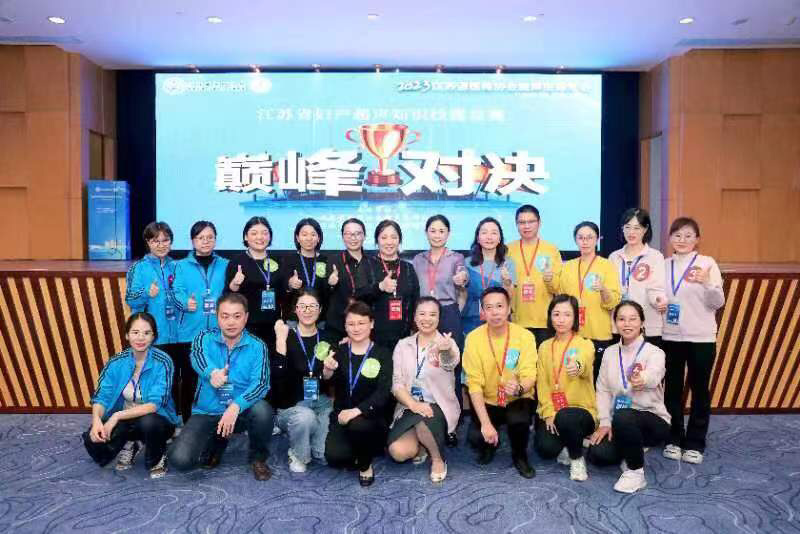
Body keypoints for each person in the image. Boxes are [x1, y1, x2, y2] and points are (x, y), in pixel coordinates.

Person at [168, 293, 274, 480]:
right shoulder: (203, 337)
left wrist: (236, 406)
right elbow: (197, 357)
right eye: (225, 316)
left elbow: (261, 383)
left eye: (237, 316)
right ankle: (218, 440)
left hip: (241, 411)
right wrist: (212, 373)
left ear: (246, 317)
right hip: (208, 411)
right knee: (180, 460)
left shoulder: (258, 346)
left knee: (263, 411)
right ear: (217, 317)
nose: (231, 322)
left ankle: (258, 458)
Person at [659, 217, 725, 465]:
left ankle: (696, 442)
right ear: (670, 239)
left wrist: (706, 283)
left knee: (699, 389)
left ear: (697, 239)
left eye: (688, 235)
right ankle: (674, 438)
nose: (682, 240)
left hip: (701, 337)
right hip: (670, 335)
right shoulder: (664, 265)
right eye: (677, 235)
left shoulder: (707, 263)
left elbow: (717, 303)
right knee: (672, 389)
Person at [83, 312, 179, 479]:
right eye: (135, 332)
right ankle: (131, 443)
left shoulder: (163, 361)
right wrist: (97, 420)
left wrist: (116, 417)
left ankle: (156, 457)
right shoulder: (115, 362)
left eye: (147, 333)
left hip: (157, 419)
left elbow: (154, 404)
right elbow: (102, 396)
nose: (140, 338)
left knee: (149, 423)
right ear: (127, 335)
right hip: (127, 419)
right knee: (92, 440)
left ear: (154, 337)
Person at [587, 300, 670, 493]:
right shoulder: (609, 353)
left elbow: (654, 374)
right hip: (619, 421)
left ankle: (636, 472)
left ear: (642, 322)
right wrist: (605, 422)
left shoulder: (654, 352)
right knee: (598, 454)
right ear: (615, 323)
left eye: (633, 319)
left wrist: (643, 379)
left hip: (651, 419)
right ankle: (632, 447)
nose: (627, 324)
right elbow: (603, 389)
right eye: (621, 319)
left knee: (625, 415)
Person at [463, 287, 537, 478]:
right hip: (488, 399)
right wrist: (485, 424)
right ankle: (490, 444)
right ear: (482, 311)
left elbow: (530, 374)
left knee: (518, 421)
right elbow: (474, 384)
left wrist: (520, 387)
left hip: (516, 397)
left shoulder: (525, 336)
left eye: (499, 306)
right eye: (489, 307)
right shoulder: (473, 339)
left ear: (509, 308)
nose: (495, 312)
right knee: (475, 437)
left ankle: (519, 455)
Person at [387, 297, 461, 483]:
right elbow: (397, 383)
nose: (427, 319)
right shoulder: (403, 345)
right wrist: (413, 404)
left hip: (438, 404)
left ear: (439, 318)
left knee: (423, 422)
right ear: (414, 317)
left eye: (432, 314)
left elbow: (450, 363)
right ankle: (421, 446)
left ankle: (438, 459)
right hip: (408, 404)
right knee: (398, 451)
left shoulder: (447, 343)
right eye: (422, 314)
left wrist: (445, 350)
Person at [323, 301, 393, 486]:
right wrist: (327, 370)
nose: (356, 328)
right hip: (342, 415)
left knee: (359, 426)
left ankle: (365, 466)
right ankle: (363, 449)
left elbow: (383, 392)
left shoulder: (383, 353)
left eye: (361, 323)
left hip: (371, 416)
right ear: (345, 326)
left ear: (372, 323)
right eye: (351, 324)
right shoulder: (338, 351)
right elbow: (327, 381)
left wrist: (356, 411)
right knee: (334, 457)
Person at [533, 294, 597, 481]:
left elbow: (583, 362)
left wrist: (577, 367)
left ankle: (577, 459)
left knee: (568, 417)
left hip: (581, 411)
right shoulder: (544, 347)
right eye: (556, 314)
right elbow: (542, 384)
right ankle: (572, 441)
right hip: (555, 411)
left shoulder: (585, 344)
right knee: (545, 448)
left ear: (575, 317)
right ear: (550, 317)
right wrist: (549, 412)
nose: (561, 320)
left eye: (567, 315)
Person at [172, 221, 229, 422]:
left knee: (218, 376)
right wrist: (185, 302)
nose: (205, 241)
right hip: (189, 332)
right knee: (189, 378)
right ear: (192, 240)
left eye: (210, 237)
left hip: (218, 332)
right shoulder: (180, 266)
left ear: (215, 240)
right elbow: (176, 291)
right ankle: (187, 420)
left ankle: (219, 419)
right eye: (200, 238)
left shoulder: (225, 264)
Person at [272, 290, 334, 473]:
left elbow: (329, 379)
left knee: (323, 455)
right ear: (295, 310)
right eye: (303, 306)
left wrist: (328, 371)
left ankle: (309, 437)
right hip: (292, 405)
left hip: (321, 402)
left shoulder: (327, 338)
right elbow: (277, 377)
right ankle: (298, 453)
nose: (308, 310)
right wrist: (280, 341)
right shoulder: (285, 335)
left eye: (313, 306)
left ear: (320, 310)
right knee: (305, 418)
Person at [557, 221, 621, 382]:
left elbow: (613, 301)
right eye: (581, 237)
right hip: (572, 333)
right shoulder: (567, 266)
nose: (585, 241)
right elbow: (561, 298)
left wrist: (603, 289)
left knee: (597, 379)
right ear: (575, 240)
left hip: (598, 332)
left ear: (597, 239)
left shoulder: (607, 265)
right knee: (572, 378)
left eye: (590, 237)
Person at [224, 216, 284, 353]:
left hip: (273, 325)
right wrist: (235, 284)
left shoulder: (278, 260)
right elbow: (228, 295)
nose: (260, 237)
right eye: (254, 233)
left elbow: (282, 293)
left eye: (264, 233)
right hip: (246, 326)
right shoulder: (237, 262)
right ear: (246, 237)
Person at [608, 208, 666, 346]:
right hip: (619, 325)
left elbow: (656, 289)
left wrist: (658, 301)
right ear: (622, 229)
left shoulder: (655, 257)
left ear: (645, 229)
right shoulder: (614, 257)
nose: (631, 232)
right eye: (627, 227)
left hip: (647, 326)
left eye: (637, 228)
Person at [507, 205, 563, 347]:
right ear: (516, 224)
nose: (526, 226)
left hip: (545, 320)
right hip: (517, 320)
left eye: (531, 221)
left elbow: (557, 288)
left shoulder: (551, 249)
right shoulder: (508, 250)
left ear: (539, 223)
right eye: (522, 222)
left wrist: (550, 280)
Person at [364, 220, 420, 352]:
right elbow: (358, 295)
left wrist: (415, 330)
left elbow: (415, 300)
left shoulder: (408, 268)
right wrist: (380, 287)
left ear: (399, 240)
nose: (389, 242)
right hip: (372, 338)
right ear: (377, 240)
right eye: (384, 237)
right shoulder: (367, 265)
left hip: (404, 338)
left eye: (394, 237)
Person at [125, 221, 179, 347]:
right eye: (156, 241)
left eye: (165, 240)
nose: (161, 245)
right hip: (149, 337)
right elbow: (130, 299)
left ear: (171, 242)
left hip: (176, 337)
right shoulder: (138, 268)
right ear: (148, 242)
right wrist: (146, 293)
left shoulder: (177, 267)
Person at [462, 217, 516, 336]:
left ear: (499, 238)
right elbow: (462, 294)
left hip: (498, 318)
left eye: (494, 233)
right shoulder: (467, 263)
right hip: (472, 319)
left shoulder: (508, 263)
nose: (489, 237)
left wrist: (507, 282)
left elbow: (510, 296)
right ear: (478, 238)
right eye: (484, 232)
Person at [326, 218, 375, 344]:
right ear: (343, 237)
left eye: (358, 234)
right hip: (338, 326)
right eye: (348, 234)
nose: (353, 238)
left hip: (365, 327)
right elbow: (326, 294)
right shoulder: (333, 260)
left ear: (364, 236)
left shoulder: (373, 262)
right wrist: (331, 284)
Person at [282, 218, 330, 325]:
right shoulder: (288, 260)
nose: (309, 238)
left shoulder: (326, 261)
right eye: (304, 234)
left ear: (319, 238)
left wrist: (332, 284)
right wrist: (290, 284)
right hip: (294, 319)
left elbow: (329, 293)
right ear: (297, 238)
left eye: (313, 234)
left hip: (320, 320)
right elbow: (282, 288)